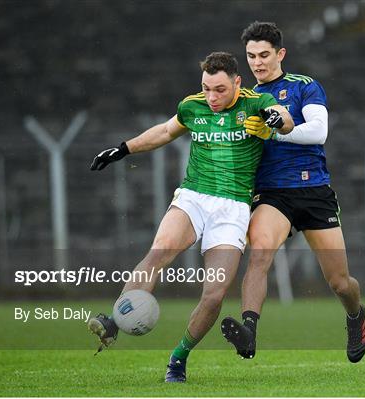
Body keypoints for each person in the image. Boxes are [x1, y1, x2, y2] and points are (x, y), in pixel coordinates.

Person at [88, 51, 294, 382]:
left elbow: (284, 118)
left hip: (233, 209)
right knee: (159, 251)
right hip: (194, 197)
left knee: (214, 294)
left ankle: (178, 359)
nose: (212, 97)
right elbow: (165, 132)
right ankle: (115, 321)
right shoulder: (192, 106)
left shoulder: (257, 103)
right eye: (206, 88)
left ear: (237, 83)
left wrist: (276, 120)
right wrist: (123, 149)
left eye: (220, 90)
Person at [220, 22, 365, 363]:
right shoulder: (245, 100)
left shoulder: (304, 86)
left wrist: (277, 133)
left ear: (280, 54)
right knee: (259, 252)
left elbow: (319, 132)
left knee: (340, 283)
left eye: (264, 55)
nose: (257, 62)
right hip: (273, 195)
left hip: (314, 191)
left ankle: (356, 316)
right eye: (251, 56)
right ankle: (248, 332)